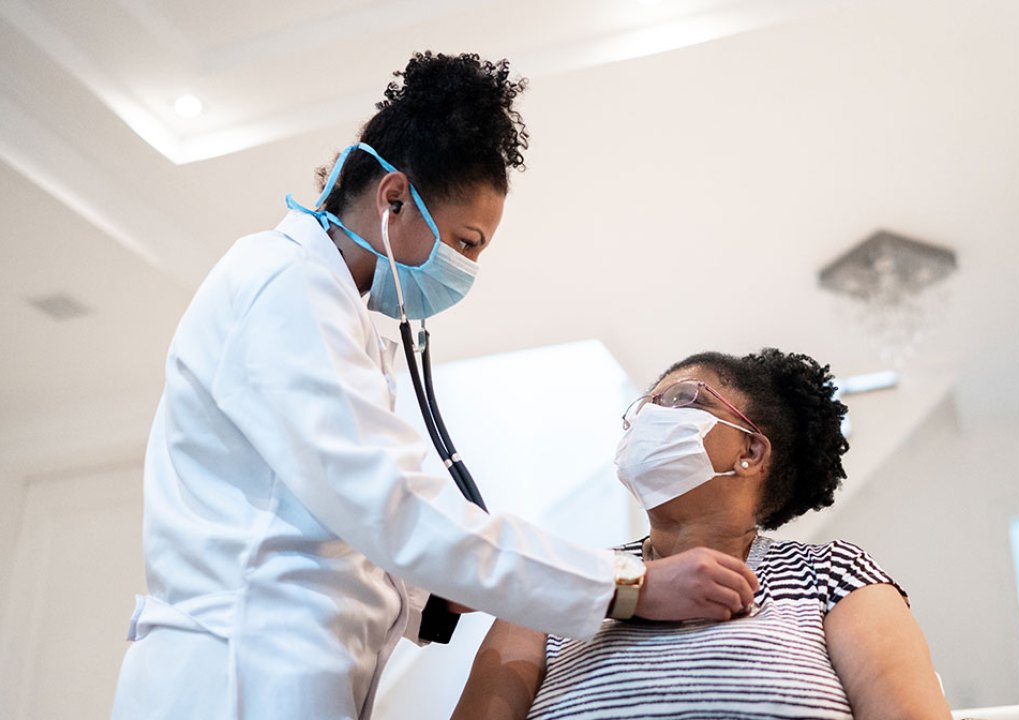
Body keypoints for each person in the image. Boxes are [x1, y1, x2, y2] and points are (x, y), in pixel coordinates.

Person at [110, 52, 758, 720]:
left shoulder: (337, 312)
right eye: (466, 242)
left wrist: (437, 594)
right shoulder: (285, 288)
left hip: (286, 670)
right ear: (393, 198)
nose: (467, 268)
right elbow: (392, 506)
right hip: (236, 676)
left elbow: (344, 525)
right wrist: (630, 585)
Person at [452, 348, 951, 720]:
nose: (648, 419)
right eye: (643, 408)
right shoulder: (553, 577)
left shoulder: (831, 574)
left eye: (681, 399)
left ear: (751, 452)